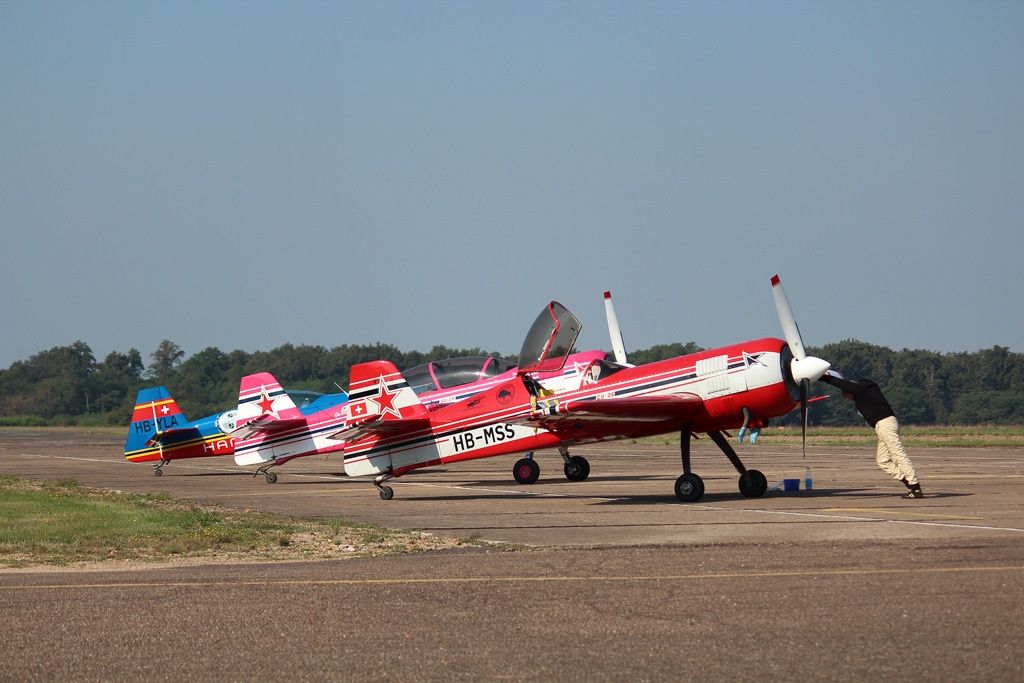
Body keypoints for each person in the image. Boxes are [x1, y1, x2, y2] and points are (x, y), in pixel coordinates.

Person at [818, 371, 923, 499]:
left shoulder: (863, 389)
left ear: (850, 391)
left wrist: (824, 378)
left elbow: (842, 383)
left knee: (898, 454)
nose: (850, 399)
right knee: (883, 460)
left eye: (848, 397)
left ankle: (915, 487)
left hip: (885, 424)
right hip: (883, 426)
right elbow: (844, 385)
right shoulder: (863, 394)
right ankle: (908, 482)